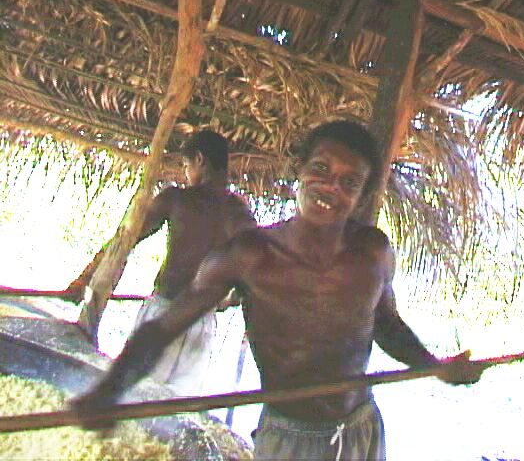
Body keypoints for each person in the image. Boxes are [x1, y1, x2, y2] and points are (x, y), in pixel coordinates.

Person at [73, 120, 485, 460]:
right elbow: (164, 327)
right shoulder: (247, 256)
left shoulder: (372, 253)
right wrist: (111, 388)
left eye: (348, 182)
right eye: (321, 169)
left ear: (362, 196)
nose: (329, 188)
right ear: (300, 169)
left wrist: (435, 366)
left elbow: (388, 325)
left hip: (359, 427)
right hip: (288, 438)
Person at [66, 130, 255, 396]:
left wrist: (84, 279)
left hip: (162, 314)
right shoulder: (240, 214)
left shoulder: (177, 199)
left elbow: (124, 242)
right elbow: (252, 275)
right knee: (171, 412)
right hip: (200, 325)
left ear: (199, 160)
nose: (186, 173)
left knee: (131, 398)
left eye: (187, 166)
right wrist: (226, 299)